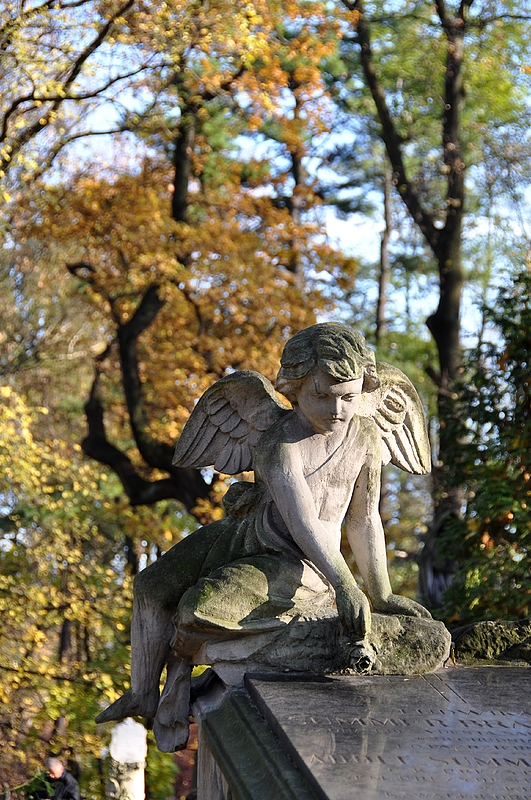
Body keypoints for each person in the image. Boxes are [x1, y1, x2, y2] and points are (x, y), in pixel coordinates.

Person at [96, 323, 431, 750]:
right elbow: (300, 517)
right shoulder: (278, 442)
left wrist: (377, 593)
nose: (336, 409)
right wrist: (347, 585)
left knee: (197, 609)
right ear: (295, 388)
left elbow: (364, 519)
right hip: (252, 536)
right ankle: (143, 693)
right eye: (322, 395)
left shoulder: (364, 436)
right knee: (150, 585)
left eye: (348, 397)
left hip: (301, 563)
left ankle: (180, 670)